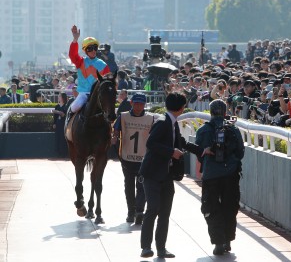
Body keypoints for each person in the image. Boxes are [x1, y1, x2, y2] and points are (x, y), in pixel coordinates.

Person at [139, 92, 211, 259]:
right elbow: (150, 143)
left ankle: (161, 248)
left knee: (164, 212)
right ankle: (145, 247)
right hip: (152, 174)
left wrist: (202, 150)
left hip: (166, 175)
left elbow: (182, 142)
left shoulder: (173, 123)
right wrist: (171, 152)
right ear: (181, 108)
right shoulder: (163, 123)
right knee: (153, 209)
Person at [195, 99, 245, 255]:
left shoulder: (203, 130)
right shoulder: (233, 129)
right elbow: (240, 152)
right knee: (229, 207)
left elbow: (199, 152)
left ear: (210, 112)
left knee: (211, 208)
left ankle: (218, 242)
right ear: (225, 112)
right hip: (231, 175)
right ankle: (228, 240)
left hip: (211, 176)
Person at [112, 93, 154, 224]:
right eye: (136, 103)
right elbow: (115, 131)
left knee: (142, 186)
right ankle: (131, 211)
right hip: (127, 158)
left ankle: (139, 211)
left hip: (143, 160)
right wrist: (114, 138)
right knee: (129, 186)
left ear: (145, 105)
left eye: (141, 104)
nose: (138, 106)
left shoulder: (150, 118)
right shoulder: (123, 116)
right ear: (131, 103)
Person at [67, 25, 110, 120]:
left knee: (108, 110)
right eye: (90, 48)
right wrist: (75, 39)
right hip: (83, 93)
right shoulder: (80, 61)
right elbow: (72, 55)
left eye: (95, 47)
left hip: (98, 95)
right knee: (73, 108)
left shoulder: (103, 64)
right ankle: (68, 127)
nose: (93, 50)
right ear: (85, 50)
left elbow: (108, 82)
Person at [52, 93, 68, 157]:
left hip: (63, 124)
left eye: (59, 96)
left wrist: (59, 112)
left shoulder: (66, 106)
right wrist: (54, 123)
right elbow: (55, 116)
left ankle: (63, 153)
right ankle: (58, 152)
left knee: (62, 138)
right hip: (58, 123)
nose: (58, 97)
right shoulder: (57, 106)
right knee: (57, 138)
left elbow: (64, 115)